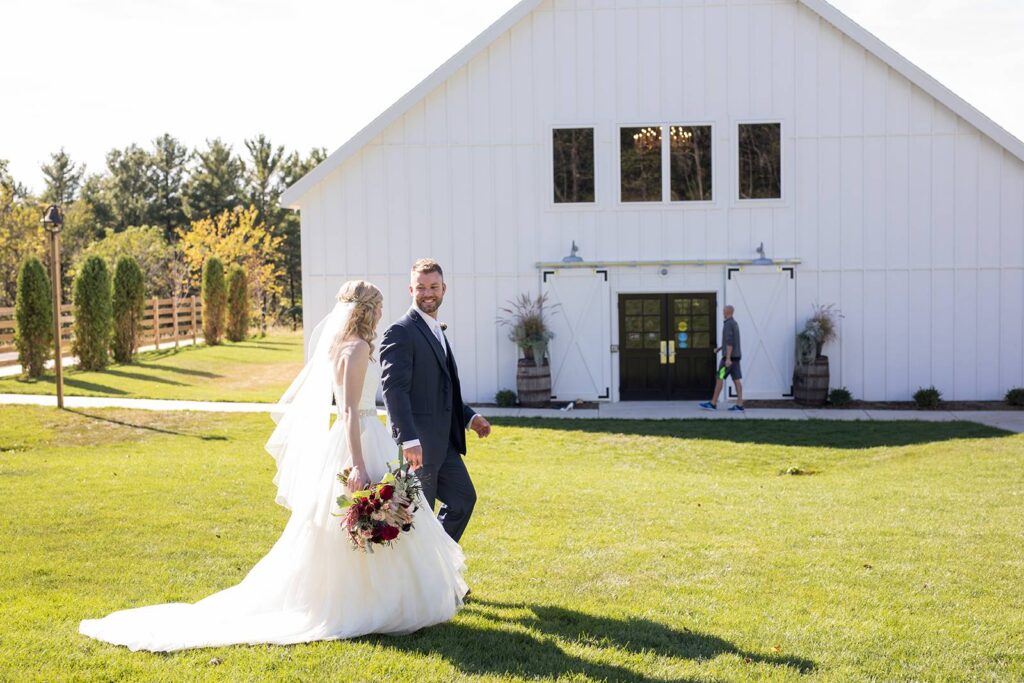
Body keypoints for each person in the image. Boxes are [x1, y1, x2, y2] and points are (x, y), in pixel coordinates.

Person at [79, 281, 468, 652]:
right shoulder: (356, 349)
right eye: (379, 306)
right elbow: (349, 410)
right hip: (360, 438)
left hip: (364, 433)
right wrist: (358, 464)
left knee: (364, 523)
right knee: (371, 517)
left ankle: (375, 595)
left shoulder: (342, 345)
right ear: (368, 310)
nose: (383, 312)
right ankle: (368, 602)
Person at [380, 258, 491, 543]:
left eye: (433, 287)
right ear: (410, 290)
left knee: (463, 500)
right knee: (418, 518)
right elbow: (394, 390)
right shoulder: (401, 331)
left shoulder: (435, 329)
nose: (428, 293)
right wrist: (408, 439)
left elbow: (442, 389)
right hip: (419, 448)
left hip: (446, 445)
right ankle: (419, 583)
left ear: (444, 288)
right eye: (421, 287)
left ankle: (440, 568)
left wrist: (469, 417)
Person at [699, 304, 744, 412]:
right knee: (736, 380)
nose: (723, 313)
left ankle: (713, 403)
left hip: (728, 360)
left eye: (724, 311)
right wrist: (720, 348)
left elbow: (729, 342)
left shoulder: (728, 324)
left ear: (728, 312)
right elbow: (730, 342)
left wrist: (727, 358)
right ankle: (739, 404)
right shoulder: (734, 323)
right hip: (736, 358)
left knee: (720, 377)